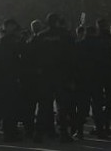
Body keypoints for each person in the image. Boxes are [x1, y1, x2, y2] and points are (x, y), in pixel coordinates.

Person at [29, 12, 76, 143]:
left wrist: (37, 71)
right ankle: (63, 133)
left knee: (44, 106)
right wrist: (71, 76)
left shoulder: (40, 36)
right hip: (61, 75)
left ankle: (38, 133)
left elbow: (31, 55)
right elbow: (72, 57)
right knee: (62, 106)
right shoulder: (65, 35)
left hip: (45, 75)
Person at [0, 18, 24, 142]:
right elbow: (16, 58)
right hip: (9, 76)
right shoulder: (9, 40)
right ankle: (9, 133)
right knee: (10, 107)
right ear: (9, 26)